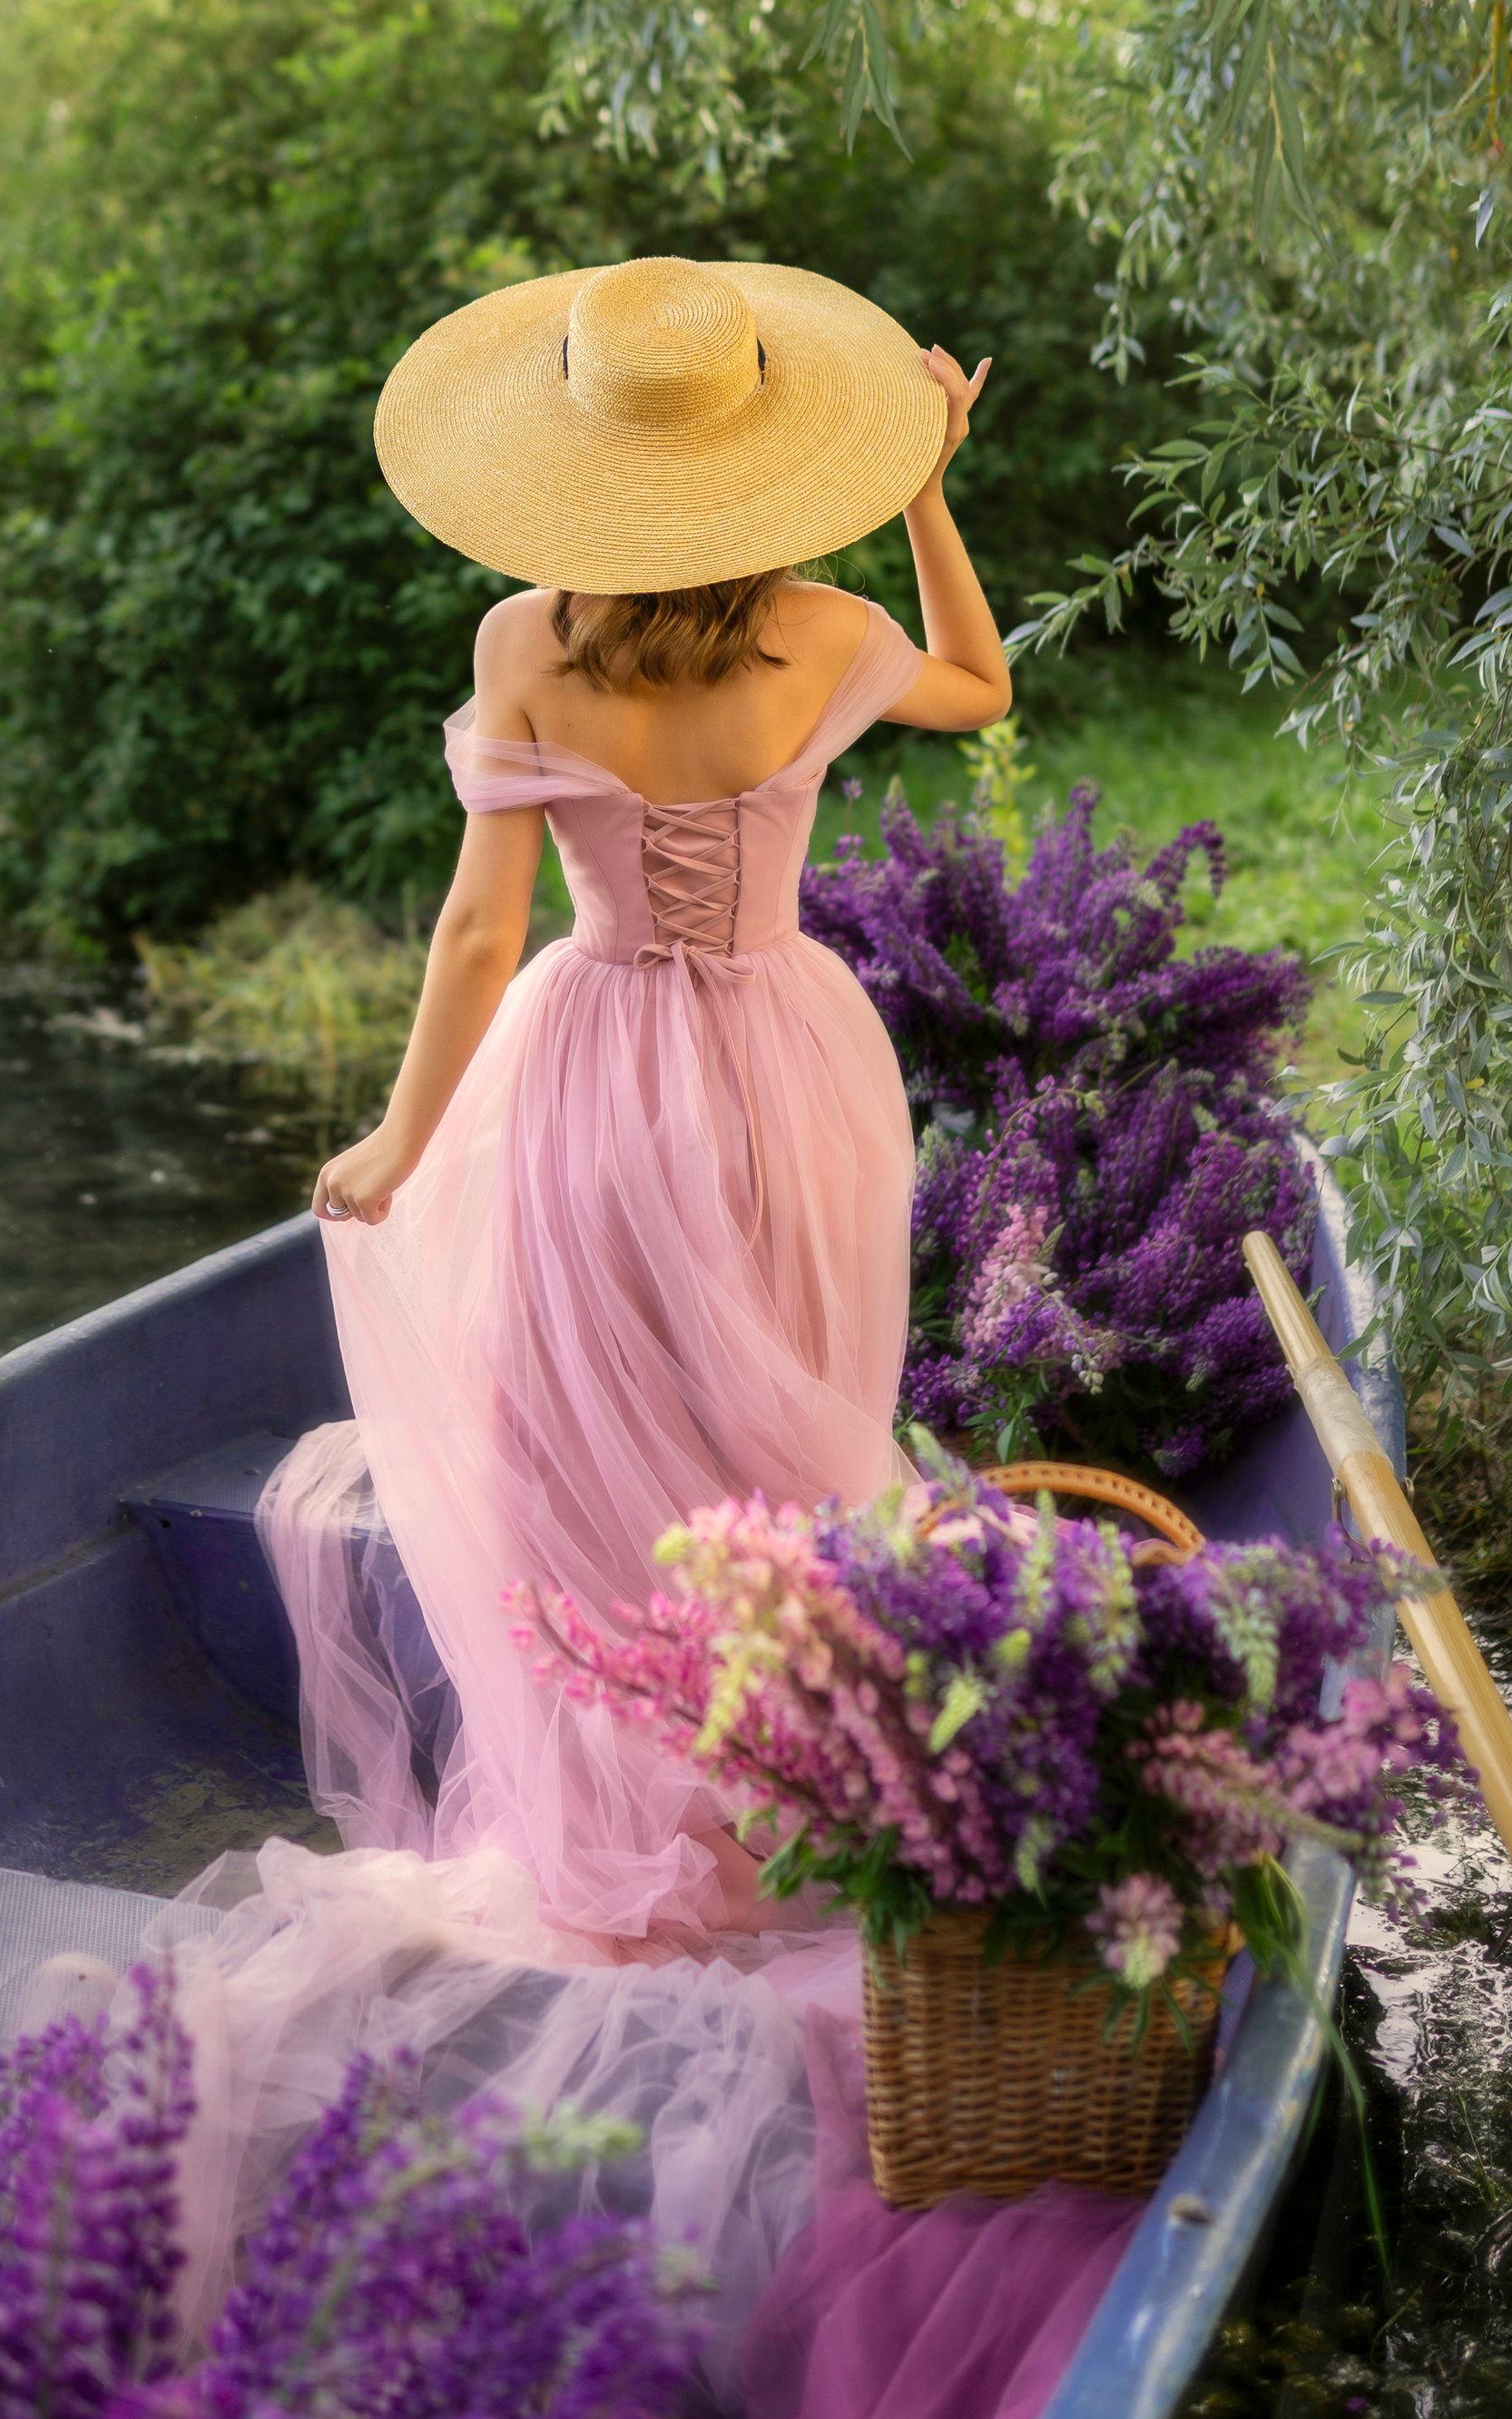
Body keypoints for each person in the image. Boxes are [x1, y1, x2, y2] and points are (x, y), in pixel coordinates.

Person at [261, 251, 1008, 1954]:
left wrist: (401, 1139)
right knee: (783, 1434)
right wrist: (926, 491)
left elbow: (477, 930)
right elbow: (983, 685)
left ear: (579, 461)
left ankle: (632, 1820)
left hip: (587, 1065)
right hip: (782, 1064)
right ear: (764, 457)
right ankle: (801, 1814)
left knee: (588, 1447)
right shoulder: (822, 633)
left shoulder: (527, 638)